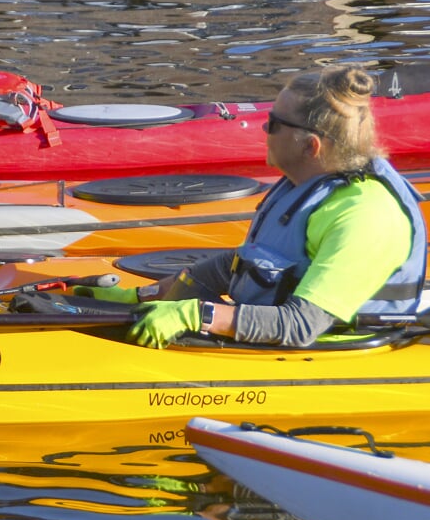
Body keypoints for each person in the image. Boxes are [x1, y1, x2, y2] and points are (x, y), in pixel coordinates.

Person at [79, 65, 426, 348]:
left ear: (311, 146)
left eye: (274, 123)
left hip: (336, 355)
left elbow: (301, 324)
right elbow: (234, 267)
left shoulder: (365, 216)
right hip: (277, 339)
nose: (263, 128)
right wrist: (138, 296)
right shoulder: (304, 183)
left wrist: (197, 315)